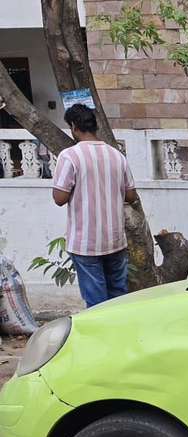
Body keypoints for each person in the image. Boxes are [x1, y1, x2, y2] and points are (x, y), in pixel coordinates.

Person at [51, 104, 138, 307]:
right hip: (115, 240)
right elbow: (131, 195)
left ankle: (102, 337)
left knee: (96, 303)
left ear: (74, 126)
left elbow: (59, 198)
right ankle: (120, 335)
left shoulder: (69, 156)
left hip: (85, 243)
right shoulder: (117, 155)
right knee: (119, 296)